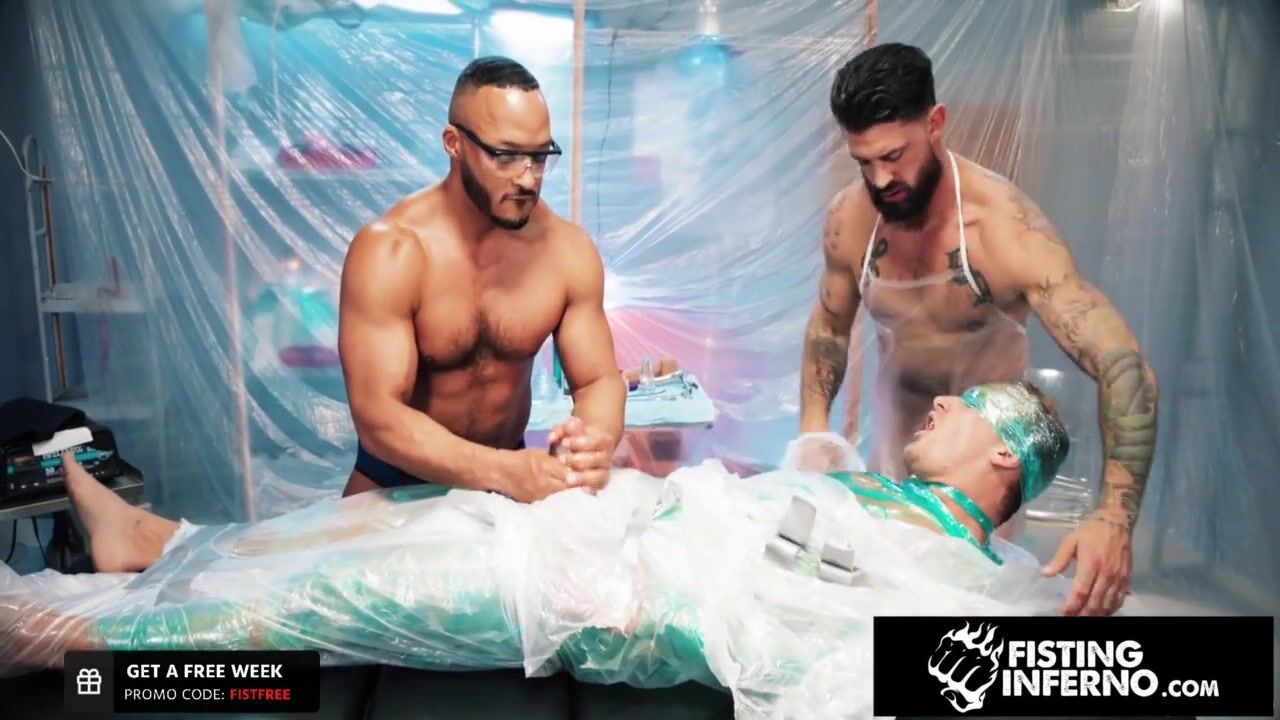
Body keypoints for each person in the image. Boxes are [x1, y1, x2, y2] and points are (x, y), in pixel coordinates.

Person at [1, 380, 1073, 706]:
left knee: (332, 600)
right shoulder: (881, 494)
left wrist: (666, 613)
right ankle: (160, 539)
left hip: (605, 592)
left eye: (970, 404)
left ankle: (65, 641)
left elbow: (826, 666)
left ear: (1003, 459)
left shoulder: (965, 585)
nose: (940, 400)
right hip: (611, 525)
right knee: (373, 519)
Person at [798, 43, 1159, 617]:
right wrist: (813, 434)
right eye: (863, 161)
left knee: (962, 621)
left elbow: (1125, 368)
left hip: (981, 469)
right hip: (898, 443)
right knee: (863, 605)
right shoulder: (851, 219)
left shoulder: (1003, 231)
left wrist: (1114, 517)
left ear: (935, 123)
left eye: (893, 155)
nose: (881, 178)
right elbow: (829, 326)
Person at [338, 56, 625, 502]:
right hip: (395, 486)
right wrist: (501, 471)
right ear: (454, 143)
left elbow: (598, 381)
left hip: (506, 488)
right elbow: (377, 415)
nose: (528, 178)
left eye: (539, 156)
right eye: (505, 156)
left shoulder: (567, 251)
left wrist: (591, 441)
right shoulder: (392, 251)